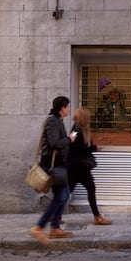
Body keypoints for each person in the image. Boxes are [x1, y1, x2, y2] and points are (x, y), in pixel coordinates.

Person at [30, 96, 77, 245]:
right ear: (61, 108)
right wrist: (69, 139)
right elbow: (54, 143)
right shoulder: (52, 121)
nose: (69, 109)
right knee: (61, 196)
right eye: (67, 107)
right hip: (53, 165)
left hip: (58, 165)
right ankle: (40, 227)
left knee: (63, 195)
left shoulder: (58, 121)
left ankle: (55, 228)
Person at [67, 108, 112, 226]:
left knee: (67, 192)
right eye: (88, 117)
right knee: (90, 188)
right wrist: (93, 148)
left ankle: (55, 214)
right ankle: (97, 217)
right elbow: (77, 148)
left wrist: (93, 148)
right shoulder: (76, 130)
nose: (90, 119)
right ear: (84, 118)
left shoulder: (77, 129)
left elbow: (81, 147)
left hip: (75, 167)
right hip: (79, 167)